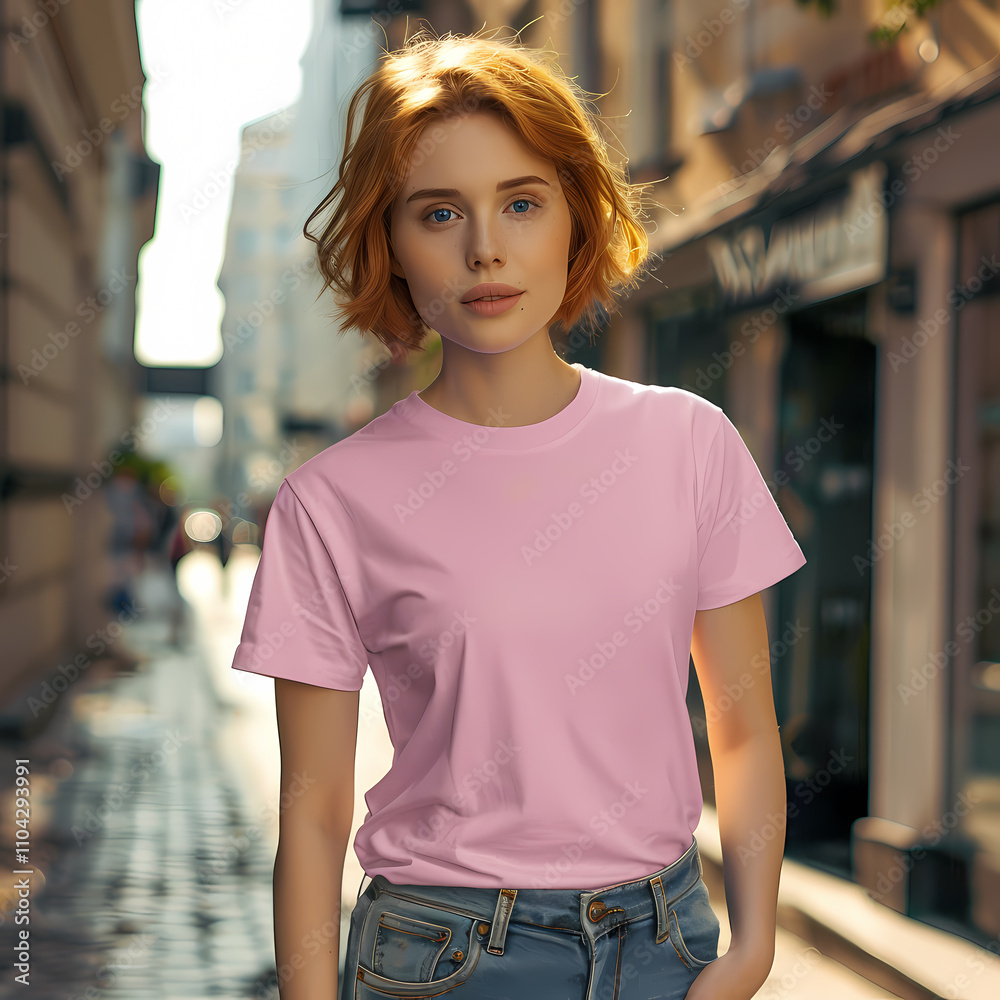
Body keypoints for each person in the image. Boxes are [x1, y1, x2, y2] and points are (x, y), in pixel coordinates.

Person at [231, 27, 807, 1000]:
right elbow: (315, 807)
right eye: (439, 211)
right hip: (446, 955)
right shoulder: (330, 500)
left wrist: (749, 949)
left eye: (522, 201)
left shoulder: (689, 441)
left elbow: (742, 725)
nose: (486, 247)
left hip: (669, 941)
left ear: (575, 216)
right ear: (390, 241)